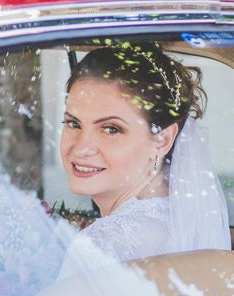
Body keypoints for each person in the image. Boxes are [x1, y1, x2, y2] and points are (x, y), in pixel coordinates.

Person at [58, 41, 230, 278]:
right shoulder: (184, 218)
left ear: (162, 139)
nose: (81, 149)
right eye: (73, 123)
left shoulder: (102, 244)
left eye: (111, 129)